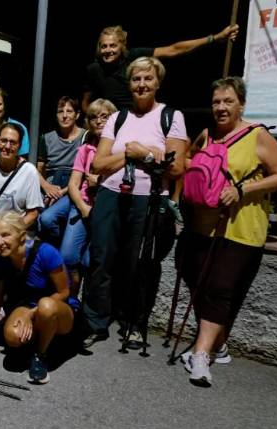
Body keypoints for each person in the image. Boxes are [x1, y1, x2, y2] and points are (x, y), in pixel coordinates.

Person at [180, 77, 277, 387]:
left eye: (228, 101)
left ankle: (201, 355)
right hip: (203, 226)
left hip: (242, 228)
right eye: (216, 101)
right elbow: (189, 159)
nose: (221, 107)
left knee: (219, 287)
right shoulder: (207, 134)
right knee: (201, 283)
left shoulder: (258, 136)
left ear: (241, 104)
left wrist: (242, 189)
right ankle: (218, 344)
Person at [83, 57, 188, 349]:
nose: (142, 84)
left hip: (149, 199)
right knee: (101, 258)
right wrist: (132, 154)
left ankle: (135, 323)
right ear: (129, 84)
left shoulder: (171, 117)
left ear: (158, 83)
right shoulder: (117, 119)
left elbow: (177, 168)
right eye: (136, 79)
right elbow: (98, 164)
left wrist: (146, 155)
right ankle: (94, 322)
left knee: (141, 263)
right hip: (110, 195)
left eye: (148, 78)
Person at [0, 211, 74, 384]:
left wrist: (31, 313)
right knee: (12, 336)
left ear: (21, 236)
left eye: (6, 235)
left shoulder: (46, 252)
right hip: (28, 304)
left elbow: (64, 292)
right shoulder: (2, 258)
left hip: (58, 308)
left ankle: (40, 356)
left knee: (46, 306)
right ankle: (38, 339)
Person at [83, 24, 240, 110]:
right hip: (110, 126)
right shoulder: (94, 70)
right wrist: (95, 117)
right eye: (104, 46)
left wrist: (214, 38)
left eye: (113, 45)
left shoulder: (134, 56)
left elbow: (173, 49)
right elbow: (85, 102)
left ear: (121, 46)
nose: (108, 50)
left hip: (139, 117)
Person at [61, 98, 117, 296]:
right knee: (67, 256)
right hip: (83, 205)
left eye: (104, 116)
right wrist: (83, 207)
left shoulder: (118, 150)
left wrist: (99, 182)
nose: (99, 121)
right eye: (94, 117)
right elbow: (73, 184)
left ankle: (88, 300)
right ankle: (72, 299)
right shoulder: (85, 149)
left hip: (106, 210)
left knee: (90, 261)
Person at [0, 123, 44, 260]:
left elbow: (33, 214)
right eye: (3, 141)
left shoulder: (29, 171)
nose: (7, 146)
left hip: (15, 229)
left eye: (13, 143)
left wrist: (6, 235)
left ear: (19, 146)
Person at [37, 96, 87, 243]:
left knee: (49, 218)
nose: (64, 116)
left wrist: (62, 192)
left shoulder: (85, 136)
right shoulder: (47, 138)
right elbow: (39, 169)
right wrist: (47, 187)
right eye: (60, 111)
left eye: (69, 111)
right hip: (52, 183)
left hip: (75, 183)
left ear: (77, 115)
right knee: (41, 220)